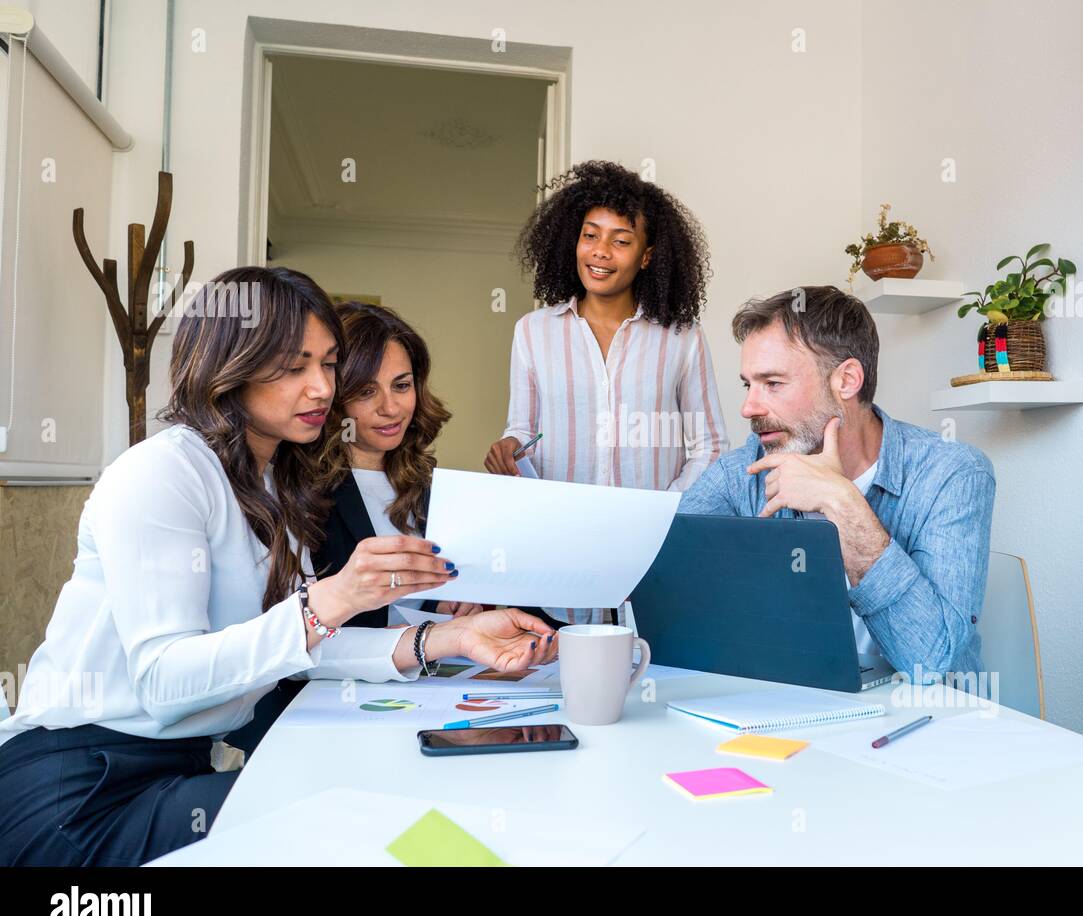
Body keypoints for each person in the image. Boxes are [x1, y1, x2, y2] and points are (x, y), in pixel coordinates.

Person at [0, 267, 555, 866]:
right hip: (77, 792)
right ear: (228, 366)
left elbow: (300, 646)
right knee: (357, 819)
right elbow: (164, 682)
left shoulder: (272, 487)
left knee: (380, 805)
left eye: (329, 363)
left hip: (174, 771)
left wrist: (450, 637)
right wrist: (332, 600)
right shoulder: (162, 473)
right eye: (293, 367)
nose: (321, 388)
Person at [678, 285, 995, 679]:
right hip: (796, 716)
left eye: (773, 384)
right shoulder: (741, 473)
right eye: (748, 385)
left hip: (927, 723)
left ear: (846, 381)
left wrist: (841, 502)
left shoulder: (951, 474)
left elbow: (931, 663)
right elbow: (664, 584)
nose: (748, 408)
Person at [483, 160, 728, 625]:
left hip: (653, 558)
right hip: (557, 556)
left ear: (647, 255)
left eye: (621, 240)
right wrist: (511, 449)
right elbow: (522, 429)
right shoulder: (533, 332)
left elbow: (711, 446)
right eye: (590, 235)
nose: (600, 252)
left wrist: (662, 512)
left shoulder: (682, 337)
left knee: (653, 684)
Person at [312, 301, 482, 626]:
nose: (390, 408)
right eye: (365, 391)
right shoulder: (303, 486)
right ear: (333, 394)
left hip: (423, 671)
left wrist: (443, 607)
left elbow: (418, 602)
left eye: (401, 386)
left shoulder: (427, 484)